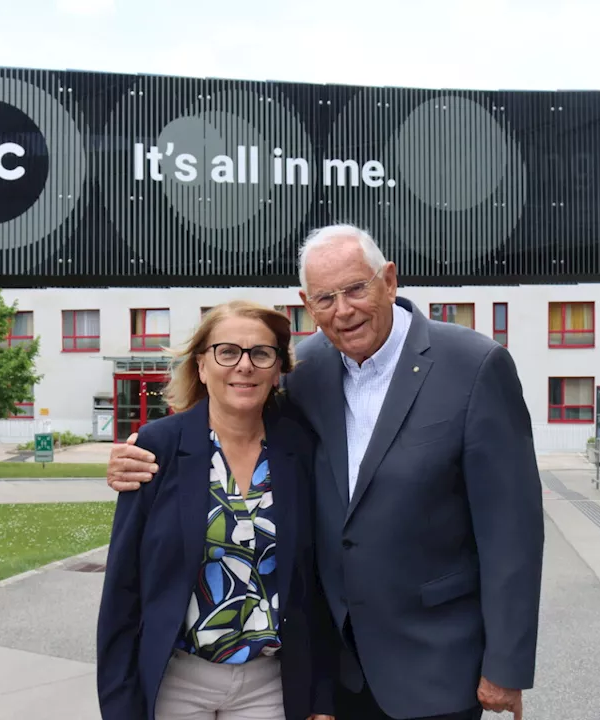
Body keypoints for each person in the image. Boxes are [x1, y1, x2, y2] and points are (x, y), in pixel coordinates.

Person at [106, 225, 544, 720]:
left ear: (390, 280)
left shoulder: (474, 364)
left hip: (435, 663)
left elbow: (512, 530)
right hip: (334, 667)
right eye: (325, 298)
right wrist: (136, 453)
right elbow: (232, 424)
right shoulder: (304, 369)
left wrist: (505, 665)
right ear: (307, 305)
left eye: (357, 288)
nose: (344, 310)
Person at [95, 299, 337, 720]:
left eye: (261, 353)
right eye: (227, 351)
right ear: (202, 365)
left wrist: (320, 696)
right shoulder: (158, 448)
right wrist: (119, 704)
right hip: (176, 683)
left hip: (269, 685)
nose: (244, 366)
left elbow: (314, 584)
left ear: (277, 368)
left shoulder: (300, 450)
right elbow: (123, 587)